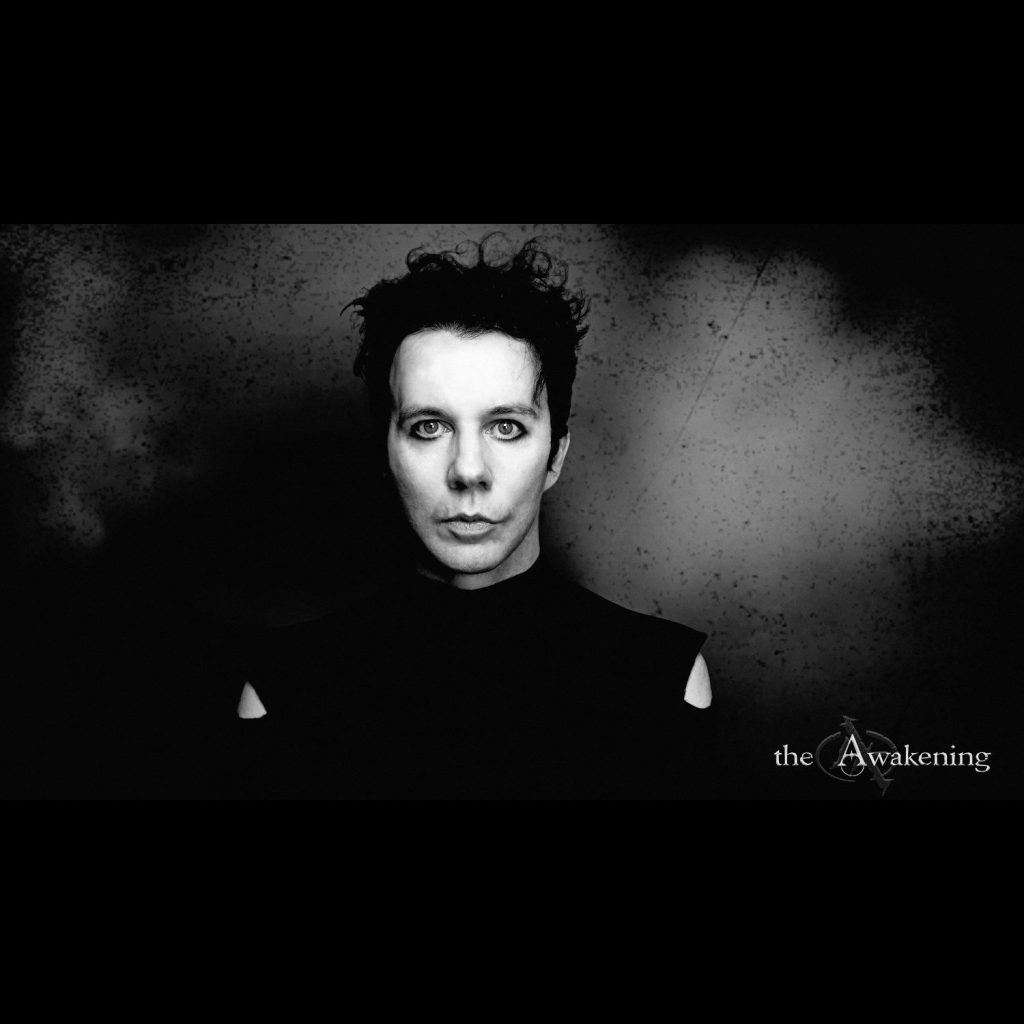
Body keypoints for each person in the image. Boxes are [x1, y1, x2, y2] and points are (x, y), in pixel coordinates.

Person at [226, 236, 716, 799]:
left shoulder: (660, 677)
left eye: (506, 427)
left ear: (556, 455)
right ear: (384, 453)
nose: (468, 471)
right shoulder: (284, 688)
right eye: (429, 427)